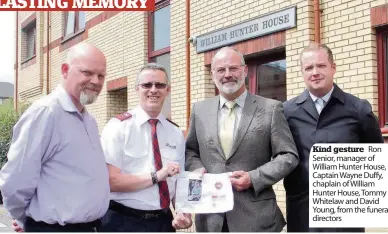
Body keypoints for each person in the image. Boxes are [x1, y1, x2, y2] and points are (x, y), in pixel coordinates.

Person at [185, 46, 299, 232]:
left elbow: (288, 156)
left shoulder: (271, 109)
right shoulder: (199, 110)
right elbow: (190, 151)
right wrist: (198, 170)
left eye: (233, 68)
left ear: (245, 70)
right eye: (221, 70)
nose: (227, 74)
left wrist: (253, 178)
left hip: (256, 218)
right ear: (213, 74)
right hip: (211, 218)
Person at [0, 42, 110, 232]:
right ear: (65, 70)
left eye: (101, 75)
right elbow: (16, 179)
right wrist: (25, 219)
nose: (96, 81)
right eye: (87, 73)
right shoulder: (45, 113)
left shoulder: (88, 120)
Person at [283, 42, 384, 232]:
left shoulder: (359, 110)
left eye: (321, 65)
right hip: (302, 214)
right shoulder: (287, 112)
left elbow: (375, 159)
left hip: (344, 217)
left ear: (333, 67)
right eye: (308, 68)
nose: (315, 72)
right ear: (302, 73)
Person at [99, 63, 192, 232]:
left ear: (168, 90)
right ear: (136, 89)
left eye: (160, 85)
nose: (153, 90)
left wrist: (183, 211)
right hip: (123, 221)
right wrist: (157, 176)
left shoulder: (175, 132)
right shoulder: (118, 127)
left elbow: (178, 181)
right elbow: (110, 181)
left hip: (163, 222)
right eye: (147, 85)